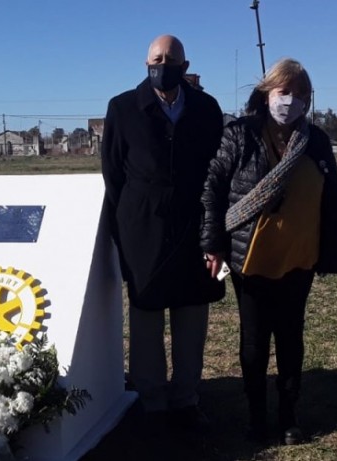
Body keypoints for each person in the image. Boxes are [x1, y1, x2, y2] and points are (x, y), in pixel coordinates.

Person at [201, 58, 337, 445]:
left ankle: (289, 416)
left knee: (291, 336)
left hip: (299, 255)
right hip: (249, 256)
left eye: (299, 94)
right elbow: (212, 189)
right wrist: (211, 244)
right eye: (283, 92)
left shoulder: (316, 140)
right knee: (254, 341)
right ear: (266, 93)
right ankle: (256, 416)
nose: (290, 101)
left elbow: (332, 195)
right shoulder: (240, 134)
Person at [101, 34, 225, 434]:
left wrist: (214, 230)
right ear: (145, 63)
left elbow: (218, 171)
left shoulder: (206, 108)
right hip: (143, 228)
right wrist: (124, 227)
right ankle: (152, 401)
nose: (163, 63)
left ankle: (187, 398)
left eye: (171, 59)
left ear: (185, 66)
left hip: (194, 227)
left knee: (192, 316)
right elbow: (113, 175)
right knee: (147, 318)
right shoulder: (122, 109)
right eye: (156, 58)